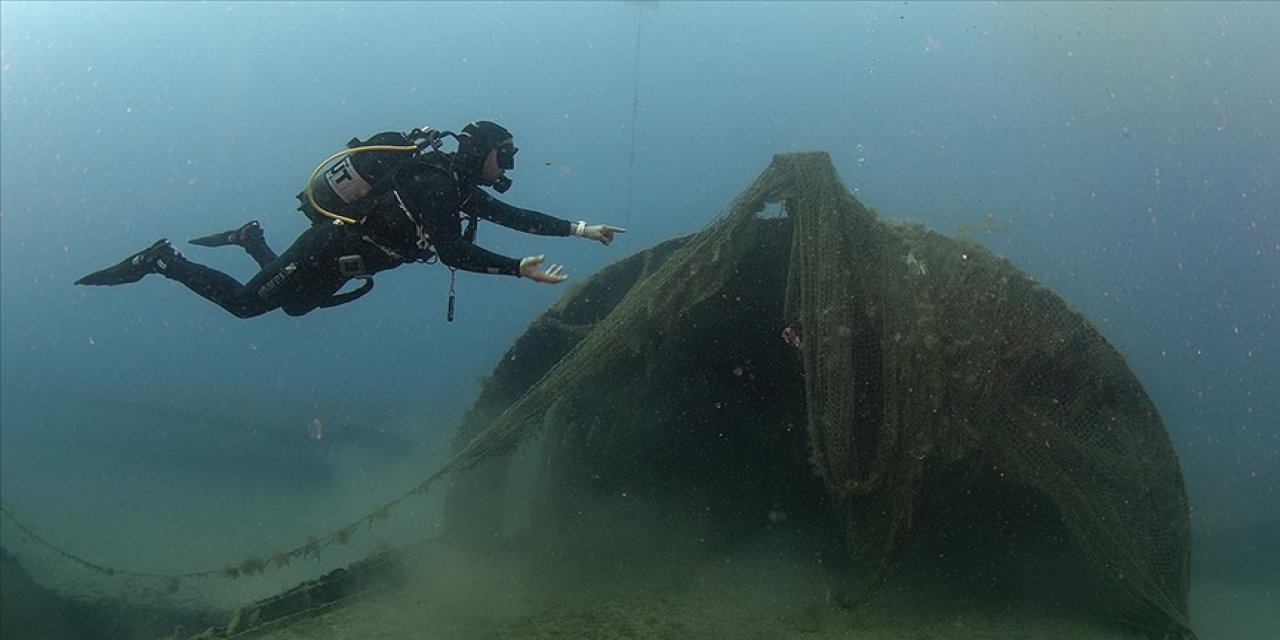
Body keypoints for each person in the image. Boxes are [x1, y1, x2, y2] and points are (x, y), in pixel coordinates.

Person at [75, 121, 625, 318]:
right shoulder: (434, 185)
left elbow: (514, 215)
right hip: (326, 249)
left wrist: (581, 229)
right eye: (503, 154)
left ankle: (249, 238)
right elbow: (454, 253)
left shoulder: (455, 187)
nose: (507, 165)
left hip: (349, 259)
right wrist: (517, 271)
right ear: (478, 149)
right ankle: (162, 260)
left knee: (291, 306)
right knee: (247, 306)